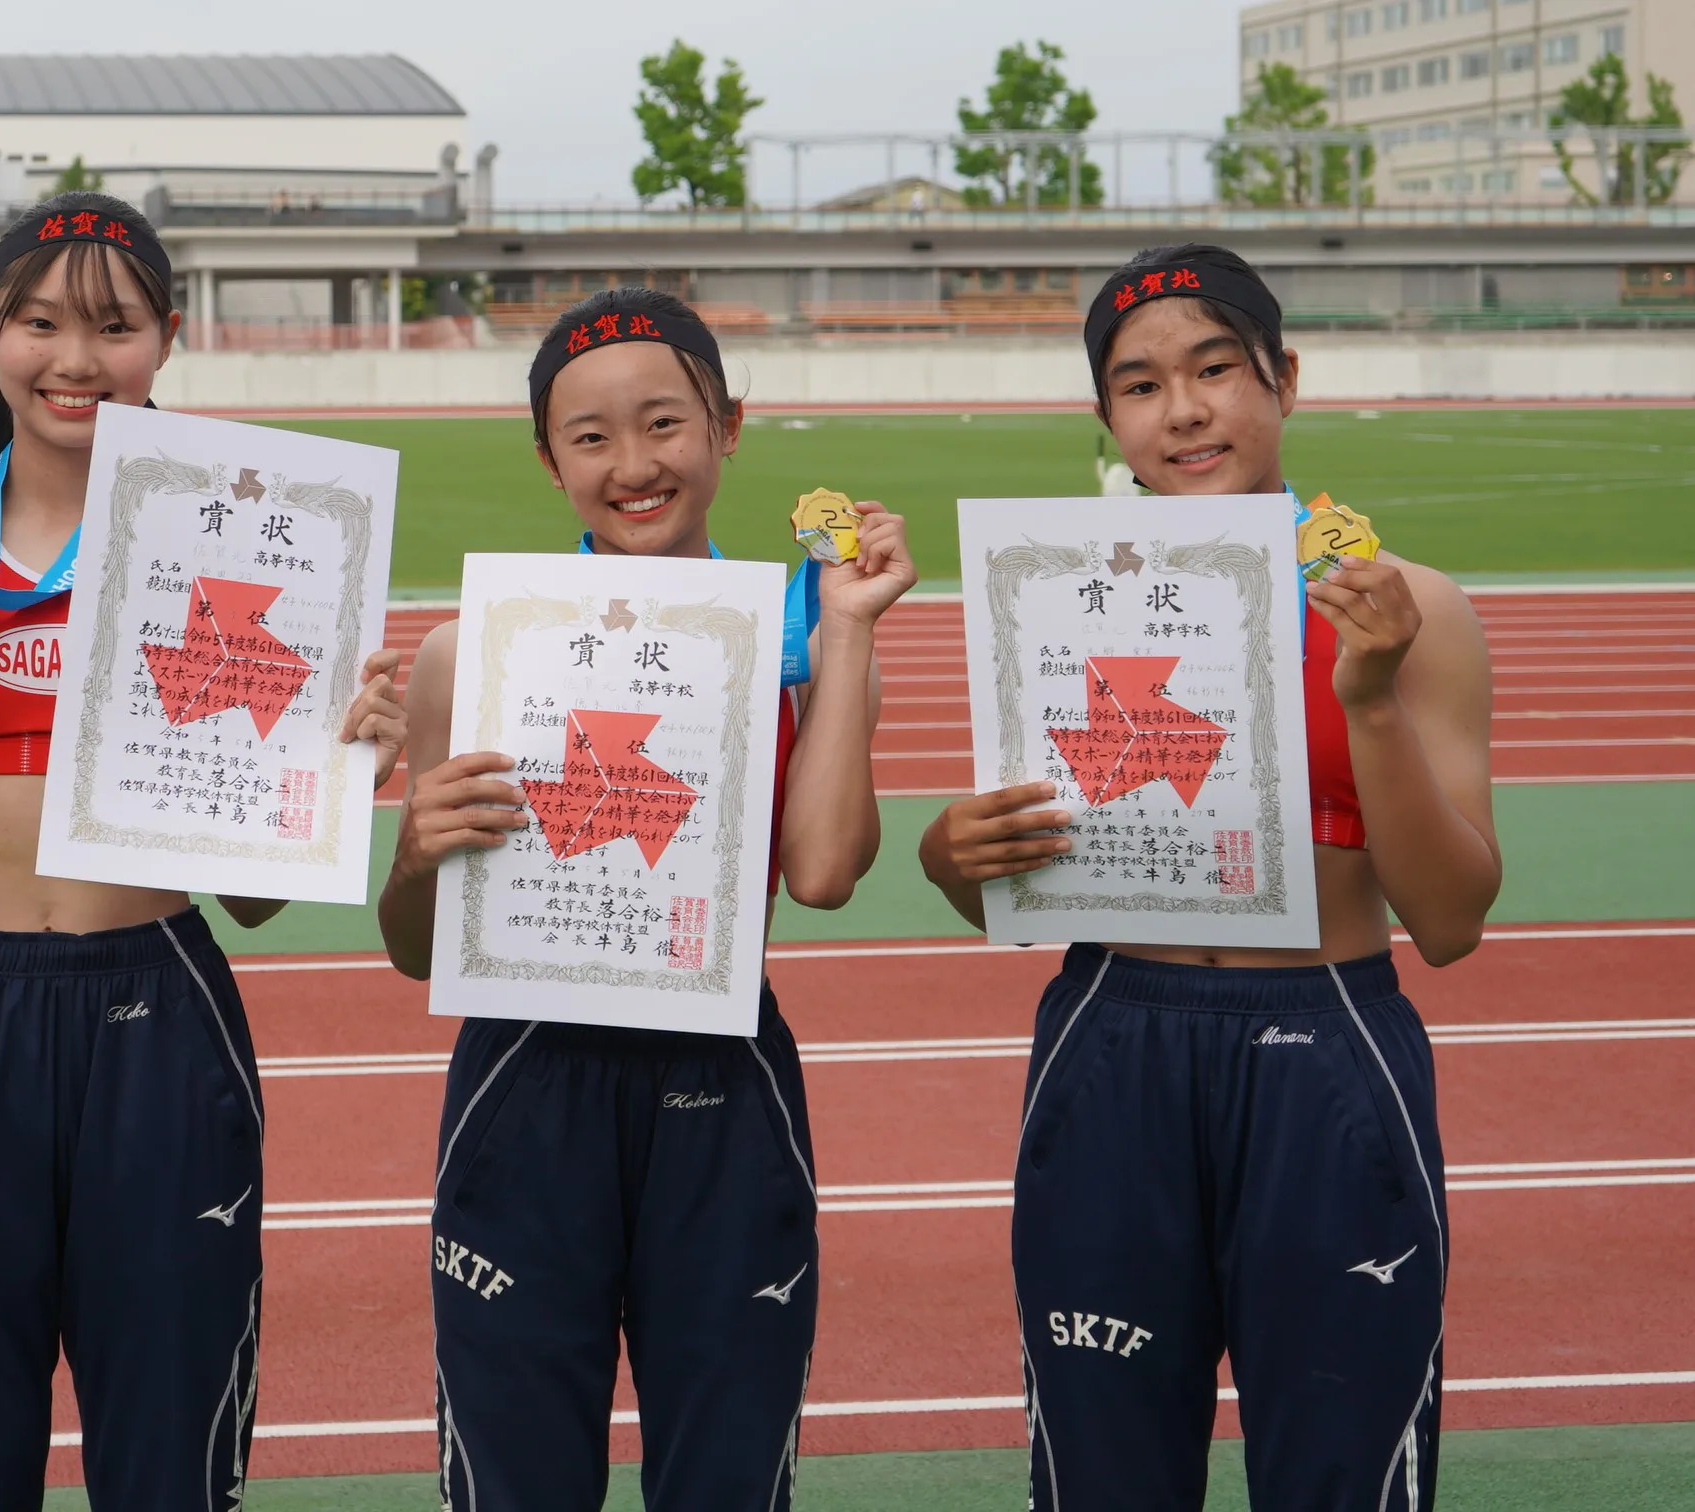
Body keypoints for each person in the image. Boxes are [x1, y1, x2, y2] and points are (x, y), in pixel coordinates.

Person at [0, 190, 407, 1512]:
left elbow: (252, 896)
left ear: (167, 338)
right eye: (37, 323)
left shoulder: (242, 534)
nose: (73, 359)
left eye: (112, 327)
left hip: (161, 1007)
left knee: (173, 1467)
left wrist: (340, 763)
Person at [918, 244, 1497, 1510]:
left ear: (1283, 378)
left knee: (1343, 1469)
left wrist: (1372, 700)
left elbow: (1448, 920)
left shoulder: (1414, 611)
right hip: (1113, 1035)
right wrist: (951, 852)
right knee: (1101, 1469)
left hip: (1330, 1040)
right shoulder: (1056, 600)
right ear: (1105, 421)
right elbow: (998, 879)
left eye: (1216, 369)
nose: (1181, 410)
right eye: (1138, 385)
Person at [374, 289, 917, 1510]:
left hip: (722, 1087)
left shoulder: (804, 633)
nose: (633, 465)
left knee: (725, 1478)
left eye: (665, 424)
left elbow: (825, 876)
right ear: (548, 459)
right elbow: (414, 950)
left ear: (729, 425)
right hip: (524, 1078)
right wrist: (416, 856)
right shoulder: (471, 651)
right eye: (591, 437)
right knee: (513, 1480)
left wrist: (847, 642)